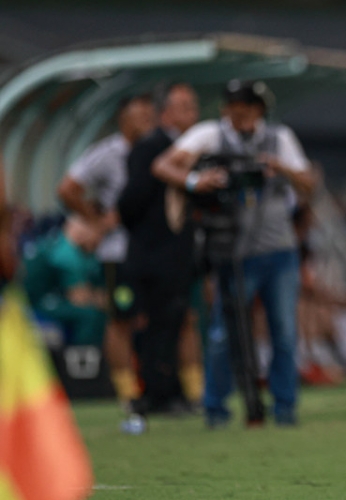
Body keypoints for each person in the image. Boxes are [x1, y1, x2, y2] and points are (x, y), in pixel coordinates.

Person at [152, 79, 316, 427]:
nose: (238, 115)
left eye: (246, 108)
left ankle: (284, 408)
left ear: (259, 110)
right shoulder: (210, 134)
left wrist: (278, 167)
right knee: (223, 333)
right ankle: (216, 408)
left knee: (284, 333)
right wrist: (198, 181)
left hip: (278, 248)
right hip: (231, 249)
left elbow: (308, 183)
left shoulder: (278, 137)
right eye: (233, 108)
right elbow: (164, 166)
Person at [57, 94, 156, 414]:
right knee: (121, 321)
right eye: (140, 114)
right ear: (123, 119)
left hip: (154, 250)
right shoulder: (107, 154)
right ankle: (127, 395)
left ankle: (162, 389)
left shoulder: (157, 151)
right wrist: (95, 220)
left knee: (162, 319)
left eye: (149, 115)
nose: (146, 121)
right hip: (119, 253)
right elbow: (67, 189)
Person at [117, 83, 204, 415]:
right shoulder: (152, 146)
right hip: (153, 254)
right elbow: (130, 202)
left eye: (193, 107)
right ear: (165, 112)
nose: (191, 114)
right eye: (183, 106)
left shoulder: (187, 149)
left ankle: (173, 391)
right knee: (156, 323)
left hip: (177, 254)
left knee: (175, 321)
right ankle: (157, 394)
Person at [22, 215, 106, 347]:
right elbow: (79, 298)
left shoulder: (60, 241)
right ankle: (83, 363)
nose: (100, 239)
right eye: (99, 233)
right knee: (91, 316)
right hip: (35, 303)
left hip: (44, 299)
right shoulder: (66, 251)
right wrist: (97, 297)